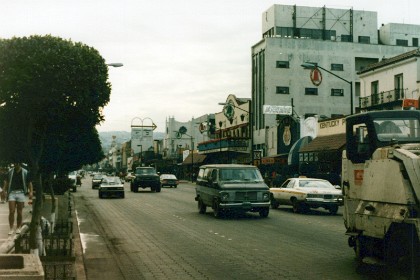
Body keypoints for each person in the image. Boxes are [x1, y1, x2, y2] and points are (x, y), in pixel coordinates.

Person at [2, 163, 33, 235]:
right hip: (12, 193)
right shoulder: (10, 171)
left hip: (21, 193)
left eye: (17, 163)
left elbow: (29, 183)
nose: (16, 165)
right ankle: (11, 228)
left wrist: (31, 191)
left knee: (19, 212)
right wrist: (4, 190)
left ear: (20, 164)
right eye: (15, 163)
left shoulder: (25, 172)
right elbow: (6, 181)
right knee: (11, 211)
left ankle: (18, 227)